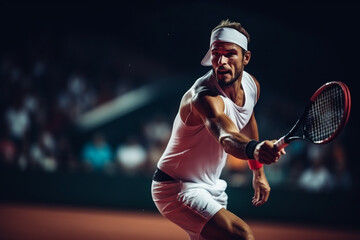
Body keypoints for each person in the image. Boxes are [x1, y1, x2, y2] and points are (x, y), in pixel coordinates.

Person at [151, 19, 285, 240]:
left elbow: (248, 121)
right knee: (242, 235)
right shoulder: (204, 97)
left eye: (230, 54)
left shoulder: (252, 87)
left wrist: (258, 172)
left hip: (211, 185)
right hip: (176, 187)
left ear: (246, 58)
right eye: (216, 54)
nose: (221, 61)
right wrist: (254, 149)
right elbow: (227, 136)